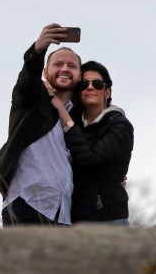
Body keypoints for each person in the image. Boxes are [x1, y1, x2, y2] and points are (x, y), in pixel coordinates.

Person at [0, 23, 81, 226]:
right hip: (26, 204)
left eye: (72, 66)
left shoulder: (76, 117)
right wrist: (37, 51)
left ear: (80, 75)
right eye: (58, 64)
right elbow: (27, 79)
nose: (65, 69)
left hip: (62, 214)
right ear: (46, 72)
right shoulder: (31, 99)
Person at [47, 60, 133, 225]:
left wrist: (64, 116)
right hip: (74, 218)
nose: (90, 87)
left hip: (109, 218)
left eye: (98, 84)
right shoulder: (75, 125)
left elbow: (90, 161)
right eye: (84, 84)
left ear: (107, 92)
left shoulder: (120, 125)